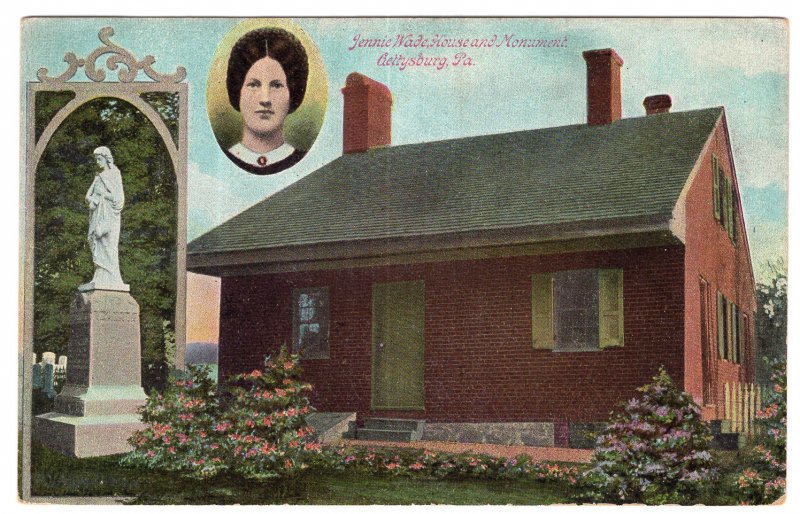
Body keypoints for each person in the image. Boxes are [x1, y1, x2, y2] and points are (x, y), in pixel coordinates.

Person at [224, 27, 309, 175]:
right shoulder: (225, 159)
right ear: (238, 91)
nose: (265, 99)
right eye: (254, 84)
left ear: (293, 94)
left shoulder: (307, 162)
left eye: (276, 85)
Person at [80, 146, 126, 291]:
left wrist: (103, 196)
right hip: (97, 215)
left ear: (106, 159)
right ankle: (99, 275)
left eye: (100, 159)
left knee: (108, 245)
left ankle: (112, 277)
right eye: (96, 160)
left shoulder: (114, 174)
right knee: (95, 242)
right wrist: (94, 198)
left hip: (109, 217)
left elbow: (119, 199)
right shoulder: (98, 177)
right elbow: (88, 196)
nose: (98, 162)